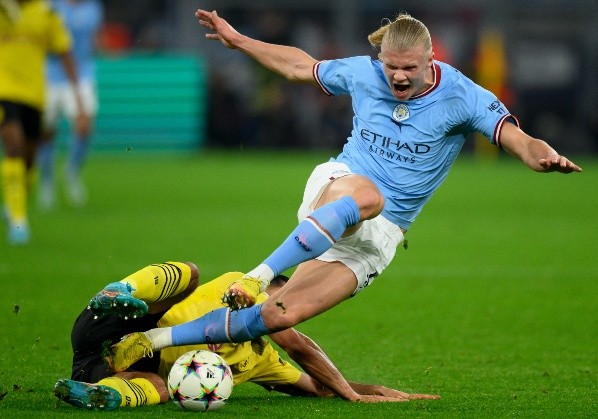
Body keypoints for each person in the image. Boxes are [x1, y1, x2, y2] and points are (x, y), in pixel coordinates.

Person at [106, 9, 582, 369]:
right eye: (391, 66)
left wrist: (540, 155)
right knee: (368, 195)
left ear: (430, 59)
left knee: (278, 315)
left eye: (409, 69)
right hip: (339, 187)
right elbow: (302, 67)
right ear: (381, 59)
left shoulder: (463, 96)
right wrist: (239, 40)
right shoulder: (363, 73)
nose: (398, 76)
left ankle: (151, 342)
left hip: (383, 234)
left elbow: (516, 136)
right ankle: (255, 275)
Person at [54, 261, 439, 411]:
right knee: (189, 273)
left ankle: (103, 394)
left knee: (161, 387)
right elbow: (298, 345)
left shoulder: (263, 363)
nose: (285, 311)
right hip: (118, 323)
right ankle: (121, 290)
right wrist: (354, 395)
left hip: (101, 365)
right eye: (284, 299)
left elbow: (319, 386)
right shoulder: (245, 287)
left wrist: (376, 391)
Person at [0, 0, 89, 244]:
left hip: (35, 95)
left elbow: (65, 52)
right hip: (4, 91)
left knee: (29, 159)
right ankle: (18, 220)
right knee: (14, 147)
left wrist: (78, 95)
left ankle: (14, 203)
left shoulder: (47, 13)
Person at [37, 0, 103, 209]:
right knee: (46, 130)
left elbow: (93, 39)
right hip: (52, 72)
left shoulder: (93, 8)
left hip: (82, 72)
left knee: (84, 125)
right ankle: (46, 180)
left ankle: (71, 173)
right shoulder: (50, 5)